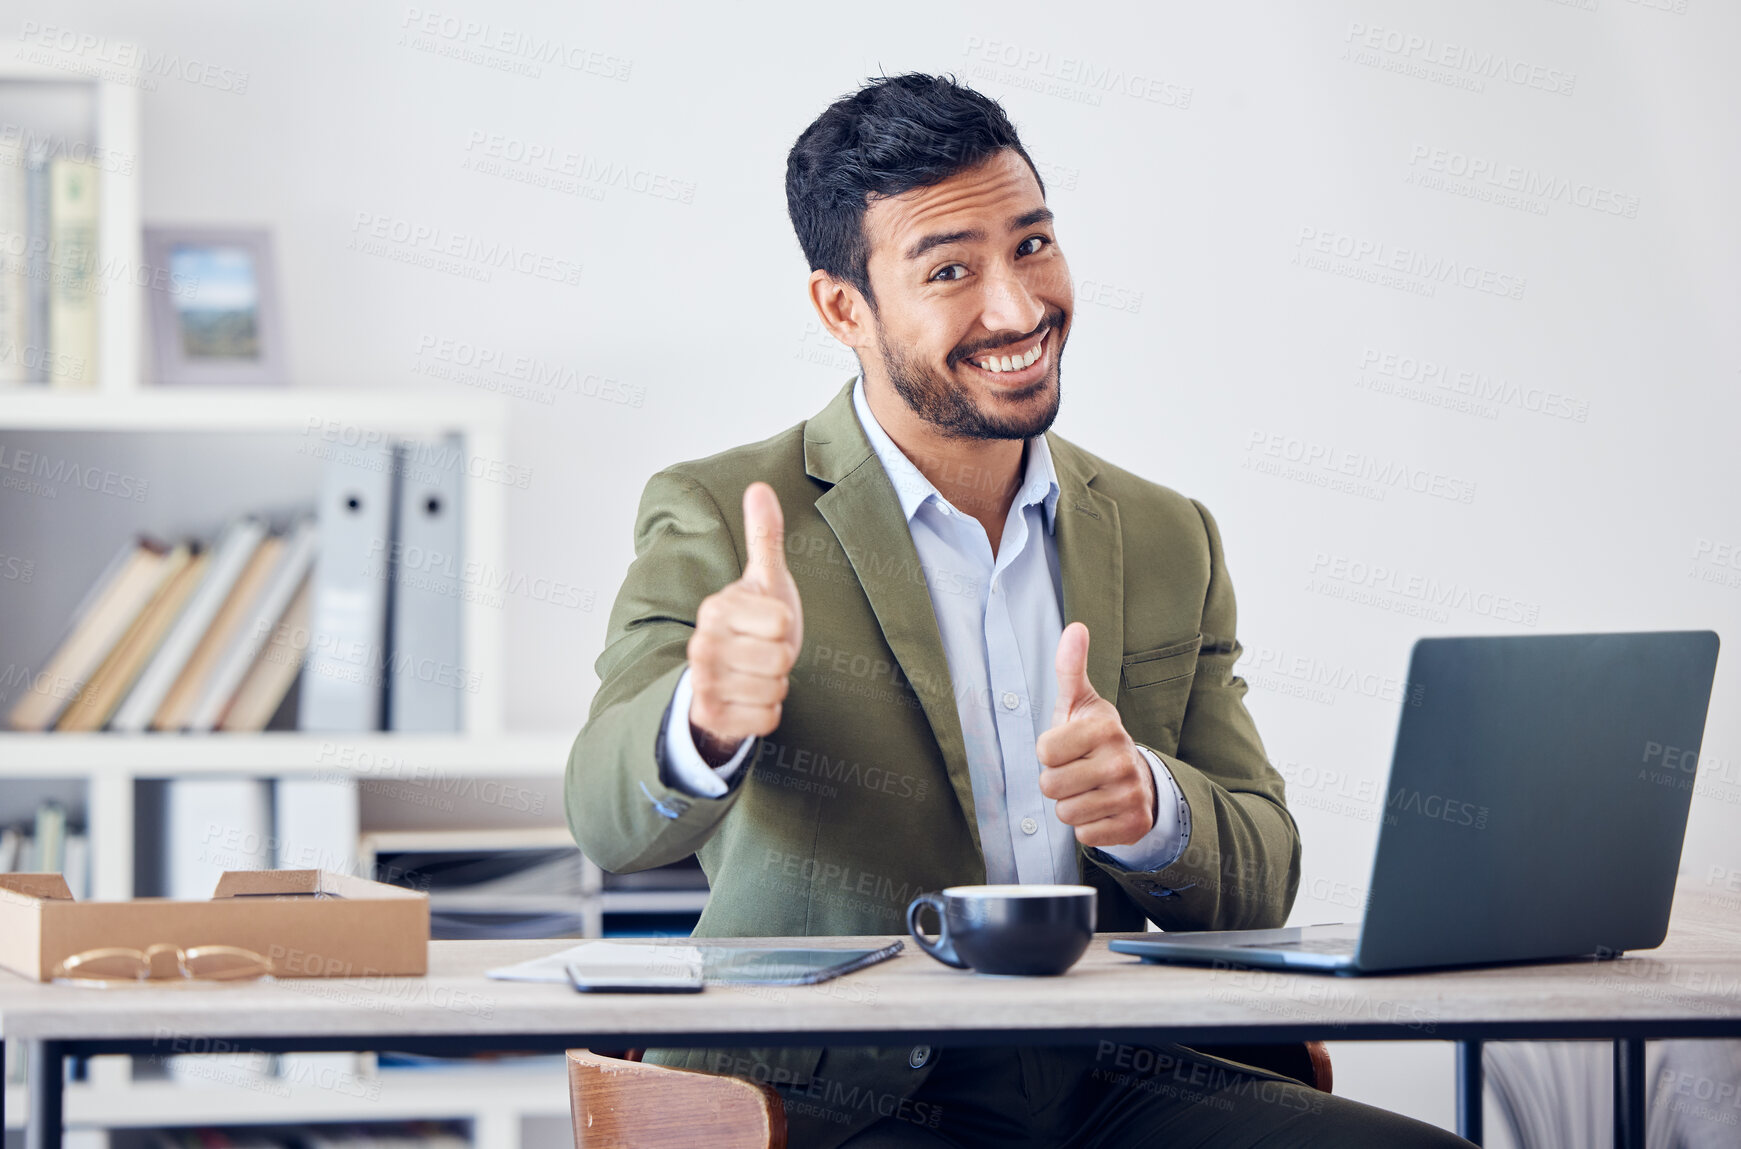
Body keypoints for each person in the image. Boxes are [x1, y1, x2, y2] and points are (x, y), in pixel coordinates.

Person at [567, 72, 1469, 1148]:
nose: (1018, 307)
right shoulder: (725, 512)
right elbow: (604, 819)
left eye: (1032, 245)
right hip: (832, 1091)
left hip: (1115, 1071)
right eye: (951, 269)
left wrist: (1148, 810)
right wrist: (703, 714)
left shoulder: (1164, 531)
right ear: (842, 308)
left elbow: (1262, 875)